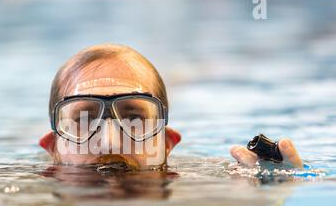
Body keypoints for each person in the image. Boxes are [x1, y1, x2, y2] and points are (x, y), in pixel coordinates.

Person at [39, 43, 303, 170]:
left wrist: (278, 186)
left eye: (135, 117)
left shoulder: (219, 184)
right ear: (53, 148)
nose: (110, 141)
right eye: (84, 120)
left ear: (166, 143)